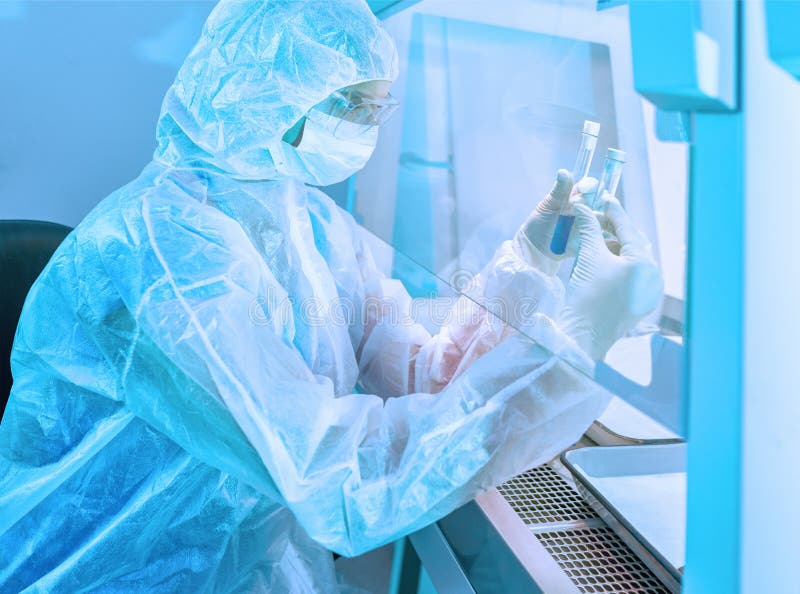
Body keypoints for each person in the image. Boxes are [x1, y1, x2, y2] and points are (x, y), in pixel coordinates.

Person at [0, 0, 662, 591]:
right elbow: (340, 484)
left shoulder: (302, 218)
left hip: (245, 565)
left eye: (380, 108)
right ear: (260, 93)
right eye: (353, 104)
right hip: (109, 573)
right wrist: (570, 346)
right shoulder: (161, 255)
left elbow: (416, 377)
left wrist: (537, 269)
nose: (368, 128)